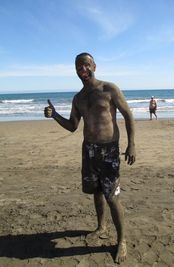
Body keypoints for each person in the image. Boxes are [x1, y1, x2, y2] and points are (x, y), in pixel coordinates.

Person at [44, 52, 136, 263]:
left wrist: (132, 144)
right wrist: (55, 115)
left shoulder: (109, 89)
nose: (82, 70)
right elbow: (72, 126)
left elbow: (128, 115)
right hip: (89, 150)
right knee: (95, 192)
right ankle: (101, 226)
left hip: (109, 150)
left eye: (85, 65)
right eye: (78, 67)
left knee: (112, 196)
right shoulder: (79, 98)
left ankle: (121, 241)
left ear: (94, 65)